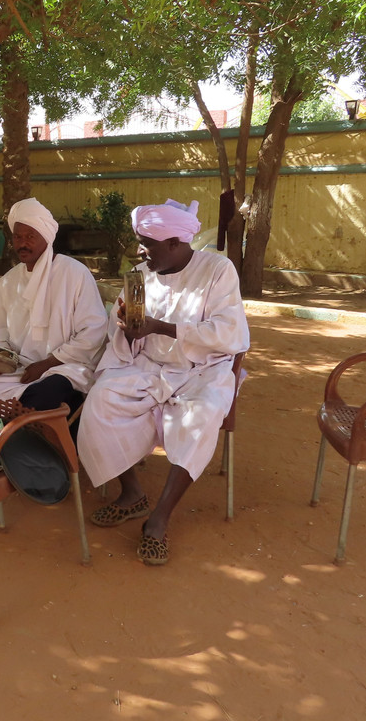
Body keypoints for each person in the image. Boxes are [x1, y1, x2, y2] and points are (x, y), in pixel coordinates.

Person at [76, 199, 250, 566]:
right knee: (100, 402)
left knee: (201, 415)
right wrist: (128, 328)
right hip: (148, 364)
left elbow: (227, 331)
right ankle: (132, 493)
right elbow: (120, 323)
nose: (139, 251)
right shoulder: (140, 274)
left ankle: (160, 518)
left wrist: (161, 327)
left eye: (147, 243)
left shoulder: (219, 271)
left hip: (201, 369)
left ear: (175, 243)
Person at [0, 197, 107, 413]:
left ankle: (19, 444)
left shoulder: (74, 273)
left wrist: (46, 364)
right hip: (18, 369)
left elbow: (92, 333)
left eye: (30, 236)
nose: (22, 243)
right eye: (18, 237)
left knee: (41, 397)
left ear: (46, 236)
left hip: (65, 367)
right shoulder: (8, 281)